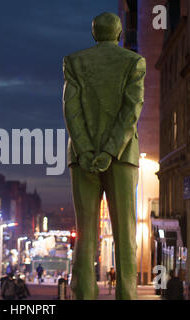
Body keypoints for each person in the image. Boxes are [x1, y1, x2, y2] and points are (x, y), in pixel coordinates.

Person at [63, 12, 146, 300]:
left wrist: (86, 149)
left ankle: (83, 294)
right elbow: (131, 111)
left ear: (94, 33)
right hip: (122, 158)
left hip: (82, 159)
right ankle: (127, 295)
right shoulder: (133, 62)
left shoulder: (74, 61)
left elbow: (71, 111)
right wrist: (111, 150)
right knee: (125, 237)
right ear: (120, 32)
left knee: (85, 236)